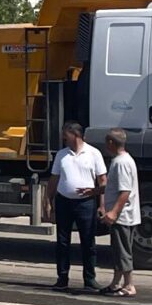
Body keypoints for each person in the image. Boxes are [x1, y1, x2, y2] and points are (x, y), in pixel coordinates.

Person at [49, 119, 107, 292]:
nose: (63, 138)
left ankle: (89, 279)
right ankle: (62, 277)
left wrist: (101, 204)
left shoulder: (93, 153)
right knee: (62, 241)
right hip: (64, 202)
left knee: (88, 241)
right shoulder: (62, 155)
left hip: (86, 203)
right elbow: (54, 180)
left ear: (75, 135)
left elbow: (102, 179)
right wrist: (48, 202)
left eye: (65, 135)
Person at [99, 127, 141, 297]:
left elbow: (125, 191)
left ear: (110, 142)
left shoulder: (121, 162)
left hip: (122, 216)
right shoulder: (124, 160)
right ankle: (116, 282)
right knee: (117, 250)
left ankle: (129, 284)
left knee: (123, 251)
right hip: (124, 215)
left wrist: (114, 212)